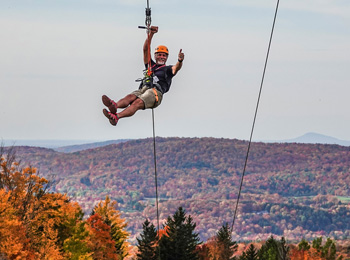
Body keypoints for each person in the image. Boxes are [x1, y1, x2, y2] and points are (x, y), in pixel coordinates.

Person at [102, 26, 185, 126]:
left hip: (155, 93)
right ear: (155, 56)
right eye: (159, 54)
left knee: (136, 103)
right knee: (130, 97)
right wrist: (151, 34)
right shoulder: (150, 65)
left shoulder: (168, 69)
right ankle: (115, 105)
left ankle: (117, 117)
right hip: (145, 88)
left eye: (164, 55)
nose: (161, 57)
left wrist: (180, 60)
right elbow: (146, 50)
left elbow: (176, 68)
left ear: (166, 57)